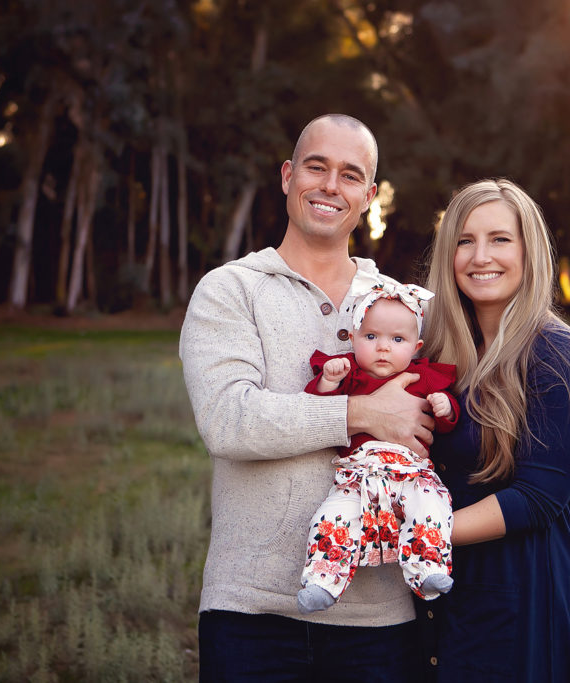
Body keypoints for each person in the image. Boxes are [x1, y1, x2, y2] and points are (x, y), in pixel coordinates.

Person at [179, 114, 437, 681]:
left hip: (380, 619)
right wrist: (364, 412)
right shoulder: (230, 290)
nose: (329, 186)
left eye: (350, 175)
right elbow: (229, 419)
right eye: (316, 167)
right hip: (251, 612)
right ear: (288, 175)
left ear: (369, 196)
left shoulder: (407, 307)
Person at [422, 178, 570, 682]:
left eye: (499, 239)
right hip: (446, 586)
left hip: (527, 586)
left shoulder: (556, 352)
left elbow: (542, 496)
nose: (481, 257)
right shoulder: (435, 348)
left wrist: (421, 535)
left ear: (528, 250)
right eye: (464, 240)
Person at [298, 280, 458, 614]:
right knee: (332, 517)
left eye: (397, 339)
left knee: (431, 510)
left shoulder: (422, 377)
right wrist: (329, 380)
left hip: (413, 474)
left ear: (416, 346)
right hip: (359, 476)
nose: (383, 348)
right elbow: (318, 410)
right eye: (371, 337)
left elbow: (444, 422)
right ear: (353, 338)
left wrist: (445, 406)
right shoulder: (350, 373)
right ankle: (322, 581)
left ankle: (428, 569)